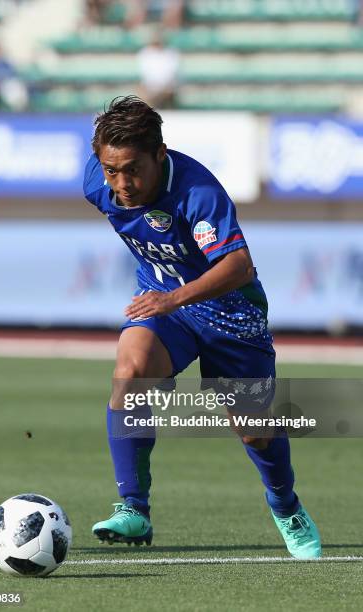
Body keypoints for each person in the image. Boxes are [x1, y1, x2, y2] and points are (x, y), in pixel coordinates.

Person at [83, 96, 321, 559]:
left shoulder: (198, 193)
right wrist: (167, 303)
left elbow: (239, 267)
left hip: (233, 316)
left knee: (253, 430)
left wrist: (172, 295)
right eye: (111, 169)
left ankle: (286, 505)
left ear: (160, 154)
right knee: (129, 375)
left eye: (132, 169)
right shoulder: (99, 182)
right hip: (165, 305)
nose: (121, 183)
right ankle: (133, 508)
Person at [137, 31, 180, 108]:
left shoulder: (171, 53)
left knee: (168, 90)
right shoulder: (145, 52)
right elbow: (146, 74)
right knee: (141, 92)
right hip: (151, 87)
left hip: (166, 87)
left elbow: (171, 74)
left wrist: (159, 87)